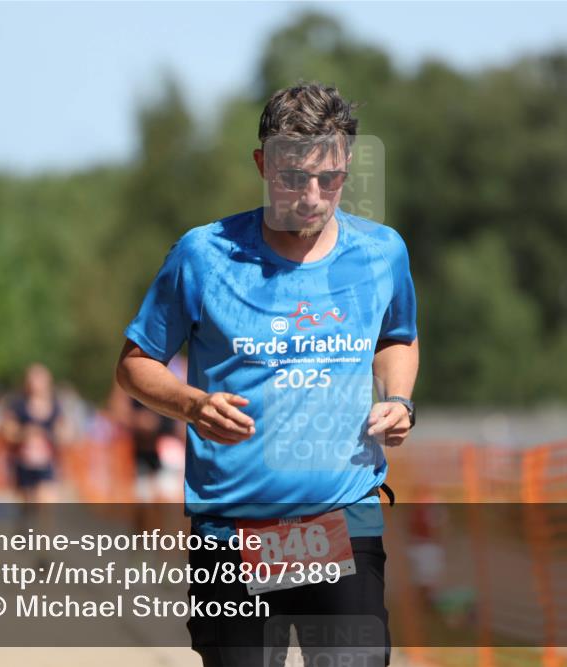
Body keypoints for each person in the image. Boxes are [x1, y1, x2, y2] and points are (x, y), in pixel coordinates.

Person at [117, 82, 419, 667]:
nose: (311, 195)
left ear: (347, 164)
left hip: (343, 516)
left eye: (327, 177)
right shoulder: (203, 254)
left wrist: (400, 398)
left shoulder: (383, 252)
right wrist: (192, 405)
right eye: (292, 176)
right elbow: (135, 365)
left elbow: (397, 337)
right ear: (262, 163)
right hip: (232, 534)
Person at [1, 363, 66, 503]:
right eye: (33, 379)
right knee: (27, 507)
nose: (36, 383)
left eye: (40, 379)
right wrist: (25, 433)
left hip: (46, 464)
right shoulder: (18, 405)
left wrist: (52, 435)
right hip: (23, 463)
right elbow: (7, 432)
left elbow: (64, 433)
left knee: (46, 502)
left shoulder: (55, 406)